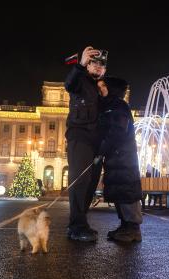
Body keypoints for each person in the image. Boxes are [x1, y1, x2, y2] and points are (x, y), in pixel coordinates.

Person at [64, 46, 107, 242]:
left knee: (90, 183)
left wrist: (105, 95)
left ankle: (81, 222)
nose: (98, 66)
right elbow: (69, 84)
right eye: (94, 63)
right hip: (79, 136)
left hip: (96, 142)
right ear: (87, 64)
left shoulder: (100, 88)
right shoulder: (80, 81)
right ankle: (76, 227)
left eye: (101, 64)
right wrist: (80, 65)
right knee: (79, 181)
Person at [96, 77, 143, 242]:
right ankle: (125, 226)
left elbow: (118, 131)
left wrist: (102, 149)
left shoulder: (118, 106)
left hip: (123, 159)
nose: (100, 90)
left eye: (103, 87)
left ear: (112, 89)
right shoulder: (112, 106)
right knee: (120, 193)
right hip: (117, 158)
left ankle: (133, 229)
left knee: (127, 192)